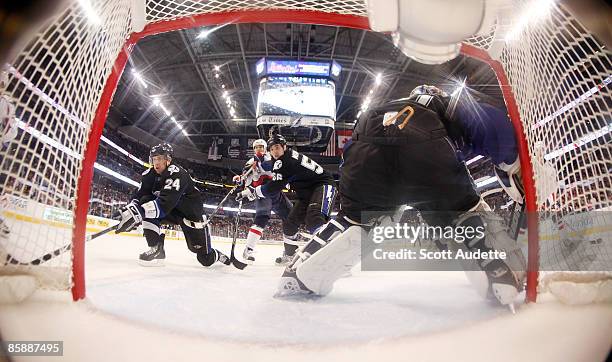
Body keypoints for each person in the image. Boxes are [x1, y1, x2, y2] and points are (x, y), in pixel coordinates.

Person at [275, 89, 527, 308]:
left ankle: (298, 273)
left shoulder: (379, 109)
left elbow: (351, 151)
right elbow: (491, 124)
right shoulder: (442, 102)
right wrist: (512, 163)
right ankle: (496, 271)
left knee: (357, 219)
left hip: (363, 154)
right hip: (426, 148)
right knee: (460, 213)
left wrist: (356, 193)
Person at [115, 143, 230, 267]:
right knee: (145, 201)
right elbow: (139, 197)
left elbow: (164, 205)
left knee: (204, 259)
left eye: (159, 158)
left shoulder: (178, 174)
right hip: (172, 212)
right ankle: (156, 249)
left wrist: (138, 213)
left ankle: (217, 255)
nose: (156, 162)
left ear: (168, 159)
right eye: (154, 159)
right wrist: (128, 211)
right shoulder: (149, 175)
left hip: (191, 216)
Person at [236, 134, 337, 265]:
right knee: (290, 224)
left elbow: (273, 186)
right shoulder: (278, 159)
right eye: (271, 149)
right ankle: (289, 255)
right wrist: (244, 179)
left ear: (284, 147)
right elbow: (266, 169)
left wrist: (250, 191)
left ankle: (332, 257)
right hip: (307, 192)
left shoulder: (284, 161)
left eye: (277, 148)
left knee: (314, 218)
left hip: (322, 185)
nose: (274, 152)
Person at [232, 139, 292, 264]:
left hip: (275, 191)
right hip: (262, 192)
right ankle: (248, 250)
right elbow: (246, 181)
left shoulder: (274, 158)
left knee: (291, 216)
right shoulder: (250, 162)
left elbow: (280, 169)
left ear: (266, 148)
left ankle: (289, 252)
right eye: (256, 147)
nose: (259, 149)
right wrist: (240, 180)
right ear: (253, 149)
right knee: (262, 217)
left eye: (261, 146)